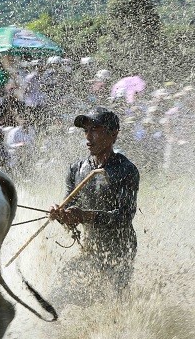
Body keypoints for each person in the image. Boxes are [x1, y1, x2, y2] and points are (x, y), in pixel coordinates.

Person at [48, 108, 139, 292]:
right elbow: (71, 207)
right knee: (61, 288)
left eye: (95, 129)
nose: (88, 136)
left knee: (114, 300)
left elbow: (124, 216)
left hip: (120, 249)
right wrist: (61, 215)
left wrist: (85, 216)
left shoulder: (125, 170)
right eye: (86, 131)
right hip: (91, 248)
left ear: (113, 134)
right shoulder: (76, 169)